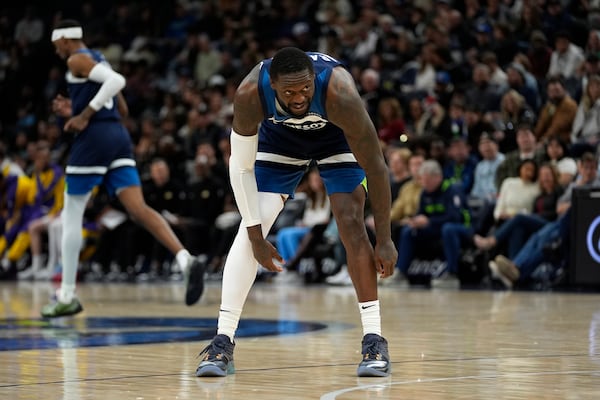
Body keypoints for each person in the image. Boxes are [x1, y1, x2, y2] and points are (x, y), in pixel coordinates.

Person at [195, 47, 397, 378]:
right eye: (289, 92)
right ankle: (222, 343)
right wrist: (257, 235)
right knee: (248, 233)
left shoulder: (340, 92)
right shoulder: (250, 93)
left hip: (336, 138)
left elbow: (376, 167)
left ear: (314, 81)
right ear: (272, 85)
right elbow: (241, 168)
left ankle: (374, 340)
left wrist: (386, 239)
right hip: (281, 142)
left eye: (305, 89)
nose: (300, 97)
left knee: (350, 223)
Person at [41, 20, 205, 318]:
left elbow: (116, 82)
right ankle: (185, 260)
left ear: (65, 39)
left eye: (56, 45)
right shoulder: (98, 57)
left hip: (94, 138)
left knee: (72, 213)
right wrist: (76, 109)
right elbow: (123, 109)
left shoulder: (76, 58)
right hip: (118, 137)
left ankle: (66, 294)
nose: (56, 51)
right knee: (138, 208)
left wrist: (84, 116)